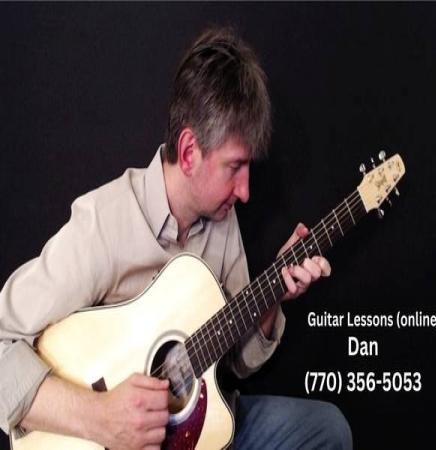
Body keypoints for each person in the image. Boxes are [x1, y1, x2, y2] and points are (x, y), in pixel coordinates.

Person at [0, 27, 352, 450]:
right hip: (104, 437)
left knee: (327, 428)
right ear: (188, 153)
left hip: (199, 430)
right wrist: (101, 418)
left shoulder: (222, 220)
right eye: (234, 167)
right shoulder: (104, 224)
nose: (245, 191)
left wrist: (274, 294)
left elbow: (235, 365)